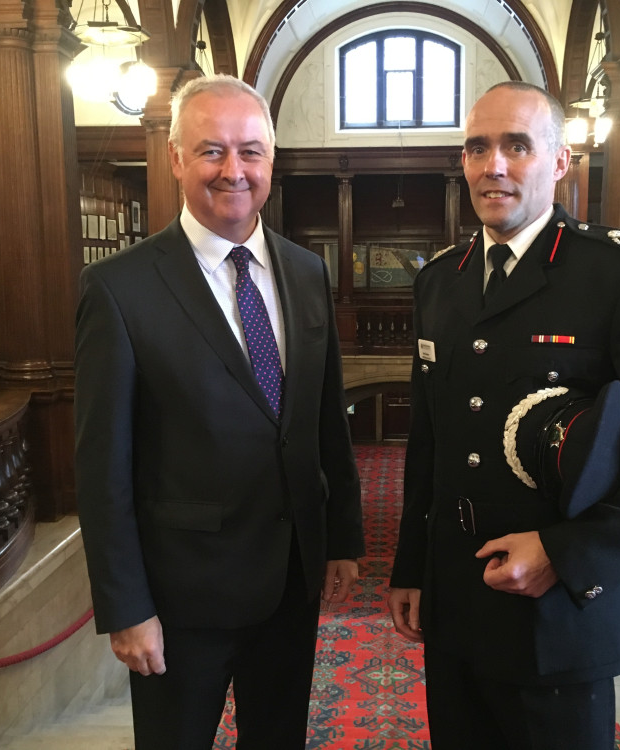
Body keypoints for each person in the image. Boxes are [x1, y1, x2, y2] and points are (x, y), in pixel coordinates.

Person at [387, 81, 620, 749]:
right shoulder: (440, 280)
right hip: (457, 598)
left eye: (518, 146)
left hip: (557, 613)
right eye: (477, 148)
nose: (495, 166)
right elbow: (430, 440)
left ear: (561, 160)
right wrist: (411, 567)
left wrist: (567, 554)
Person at [74, 74, 365, 750]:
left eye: (251, 151)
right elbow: (102, 466)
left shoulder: (305, 271)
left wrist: (343, 537)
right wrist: (127, 607)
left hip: (291, 580)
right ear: (175, 158)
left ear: (273, 159)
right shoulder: (118, 289)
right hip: (182, 598)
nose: (234, 170)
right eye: (211, 151)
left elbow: (324, 420)